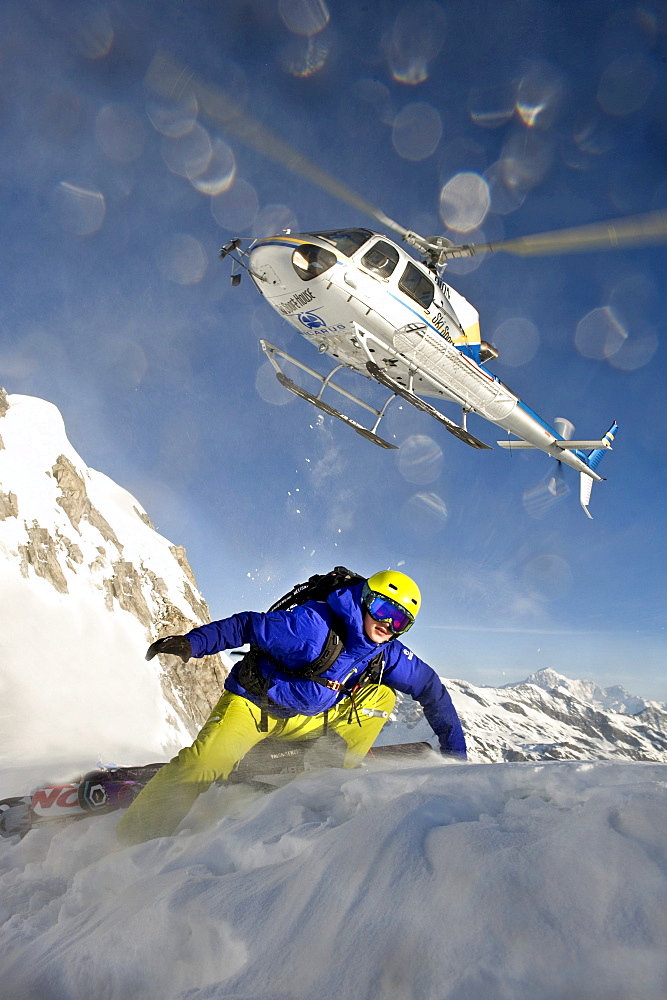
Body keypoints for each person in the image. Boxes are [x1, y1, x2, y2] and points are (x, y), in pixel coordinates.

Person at [116, 570, 466, 845]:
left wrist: (455, 757)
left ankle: (323, 771)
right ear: (365, 600)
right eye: (384, 610)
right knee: (204, 765)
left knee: (382, 696)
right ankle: (132, 839)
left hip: (307, 717)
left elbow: (432, 690)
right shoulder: (311, 628)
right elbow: (247, 625)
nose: (387, 624)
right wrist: (193, 642)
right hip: (255, 709)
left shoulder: (384, 651)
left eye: (400, 621)